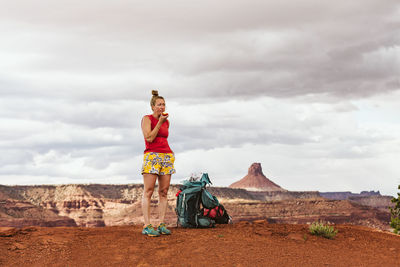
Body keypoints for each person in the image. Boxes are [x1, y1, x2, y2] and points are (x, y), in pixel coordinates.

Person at [140, 90, 175, 237]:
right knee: (148, 191)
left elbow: (164, 138)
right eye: (159, 104)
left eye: (164, 104)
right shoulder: (147, 119)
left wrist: (162, 121)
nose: (162, 107)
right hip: (152, 155)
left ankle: (161, 223)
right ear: (153, 106)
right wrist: (159, 122)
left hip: (166, 156)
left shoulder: (167, 121)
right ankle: (147, 225)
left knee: (164, 192)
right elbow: (149, 138)